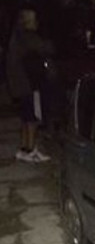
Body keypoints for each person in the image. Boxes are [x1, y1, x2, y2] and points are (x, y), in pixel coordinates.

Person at [5, 9, 54, 162]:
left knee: (26, 117)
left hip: (19, 85)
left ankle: (25, 148)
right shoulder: (28, 37)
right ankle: (31, 149)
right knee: (33, 117)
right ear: (27, 22)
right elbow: (46, 48)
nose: (36, 22)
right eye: (33, 19)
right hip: (30, 84)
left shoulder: (16, 37)